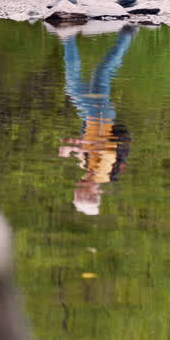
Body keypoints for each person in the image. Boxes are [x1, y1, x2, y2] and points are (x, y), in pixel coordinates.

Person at [55, 25, 136, 214]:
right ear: (92, 194)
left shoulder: (86, 167)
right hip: (100, 117)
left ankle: (127, 35)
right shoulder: (103, 174)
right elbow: (102, 146)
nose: (77, 188)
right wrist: (74, 148)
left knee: (102, 73)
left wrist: (74, 146)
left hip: (91, 118)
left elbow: (88, 145)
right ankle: (68, 37)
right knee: (73, 85)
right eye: (80, 193)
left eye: (77, 193)